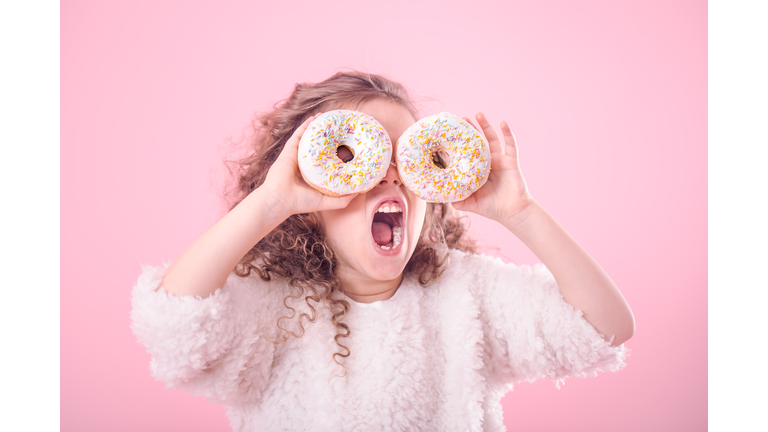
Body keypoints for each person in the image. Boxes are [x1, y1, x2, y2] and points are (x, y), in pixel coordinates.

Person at [130, 71, 634, 431]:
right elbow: (174, 326)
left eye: (409, 158)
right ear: (312, 198)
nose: (390, 174)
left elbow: (604, 328)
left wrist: (520, 212)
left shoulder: (467, 293)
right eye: (355, 158)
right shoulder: (273, 304)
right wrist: (271, 202)